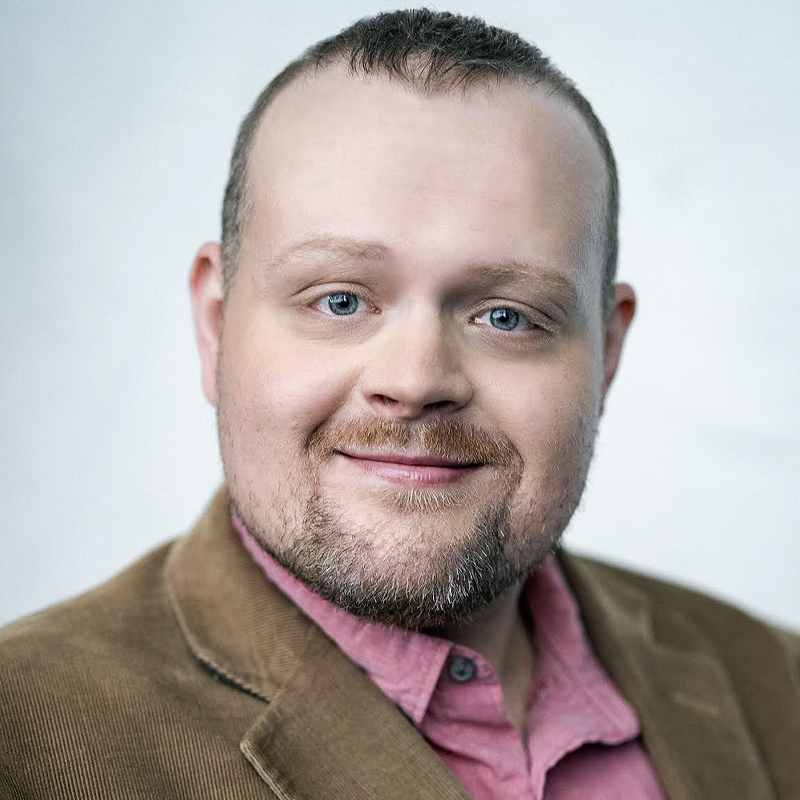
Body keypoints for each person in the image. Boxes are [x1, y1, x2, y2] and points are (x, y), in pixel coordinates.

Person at [1, 8, 798, 800]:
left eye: (506, 316)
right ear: (216, 327)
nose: (416, 380)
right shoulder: (23, 738)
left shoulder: (776, 682)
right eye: (341, 301)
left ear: (608, 354)